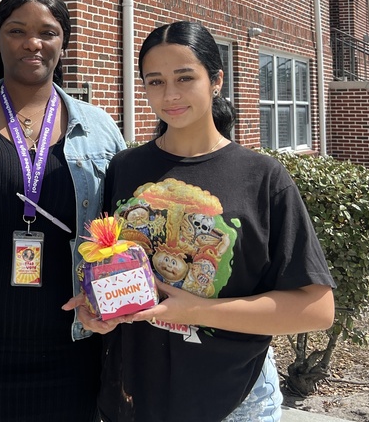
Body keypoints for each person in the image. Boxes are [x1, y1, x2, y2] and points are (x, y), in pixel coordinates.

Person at [64, 21, 335, 422]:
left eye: (185, 77)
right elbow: (116, 265)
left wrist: (196, 310)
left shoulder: (261, 177)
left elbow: (315, 309)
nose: (169, 94)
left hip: (234, 398)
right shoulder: (125, 168)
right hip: (132, 394)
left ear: (217, 80)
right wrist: (99, 309)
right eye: (154, 82)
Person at [0, 0, 126, 421]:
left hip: (72, 347)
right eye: (17, 30)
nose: (32, 43)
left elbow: (120, 229)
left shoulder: (99, 130)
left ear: (64, 42)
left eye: (48, 32)